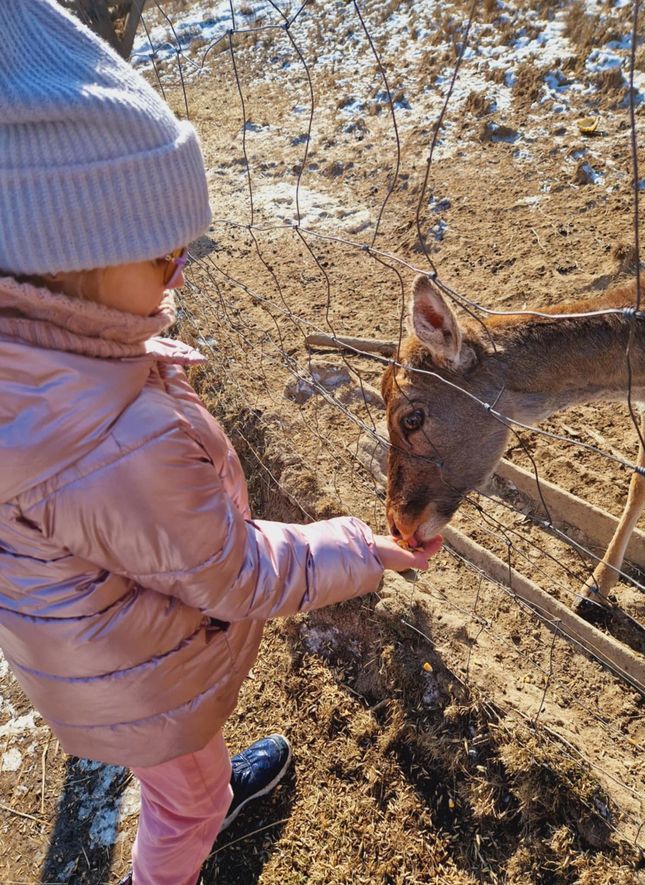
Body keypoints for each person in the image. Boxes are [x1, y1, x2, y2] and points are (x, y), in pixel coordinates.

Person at [0, 3, 442, 883]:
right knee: (185, 798)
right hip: (142, 682)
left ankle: (194, 781)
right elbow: (234, 573)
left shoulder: (47, 362)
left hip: (90, 651)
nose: (180, 273)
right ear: (63, 259)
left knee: (176, 770)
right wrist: (364, 548)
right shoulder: (118, 439)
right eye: (162, 258)